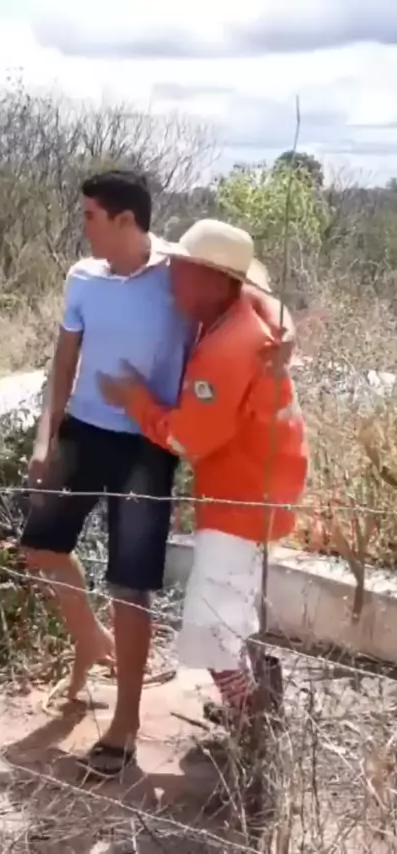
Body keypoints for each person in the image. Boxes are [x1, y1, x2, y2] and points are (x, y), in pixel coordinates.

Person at [21, 171, 296, 778]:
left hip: (148, 445)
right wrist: (46, 436)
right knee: (39, 546)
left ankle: (124, 724)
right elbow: (64, 360)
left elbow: (253, 297)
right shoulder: (82, 277)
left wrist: (289, 332)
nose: (83, 227)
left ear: (126, 220)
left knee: (131, 582)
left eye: (90, 216)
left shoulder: (179, 268)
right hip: (82, 432)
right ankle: (91, 642)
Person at [98, 219, 308, 733]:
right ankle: (256, 705)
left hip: (242, 500)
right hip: (257, 490)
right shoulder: (237, 315)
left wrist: (134, 400)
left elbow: (187, 439)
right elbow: (264, 297)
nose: (171, 274)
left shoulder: (229, 347)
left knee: (210, 625)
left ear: (215, 280)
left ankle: (252, 727)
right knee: (231, 608)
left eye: (183, 267)